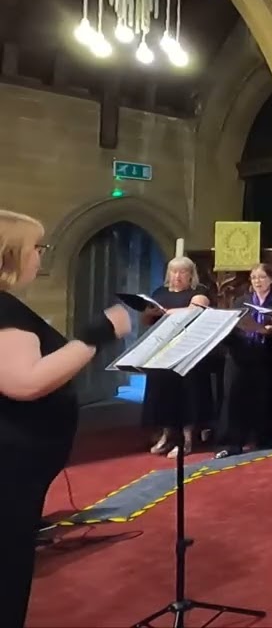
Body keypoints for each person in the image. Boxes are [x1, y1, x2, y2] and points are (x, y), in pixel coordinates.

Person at [0, 209, 131, 626]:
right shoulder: (3, 310)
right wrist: (99, 332)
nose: (40, 256)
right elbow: (25, 382)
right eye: (36, 248)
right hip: (10, 465)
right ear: (10, 255)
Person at [141, 256, 212, 457]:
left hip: (188, 352)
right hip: (162, 351)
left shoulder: (199, 292)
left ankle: (187, 440)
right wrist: (149, 311)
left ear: (191, 275)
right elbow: (146, 320)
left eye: (182, 272)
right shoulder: (159, 293)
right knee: (162, 394)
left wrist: (165, 312)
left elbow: (194, 311)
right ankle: (166, 435)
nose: (177, 276)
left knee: (187, 394)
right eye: (173, 272)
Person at [216, 263, 272, 459]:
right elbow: (232, 325)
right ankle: (234, 442)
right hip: (240, 355)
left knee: (265, 397)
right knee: (235, 398)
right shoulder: (242, 301)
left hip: (266, 355)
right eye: (254, 277)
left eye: (262, 277)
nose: (258, 281)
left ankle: (265, 438)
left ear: (271, 280)